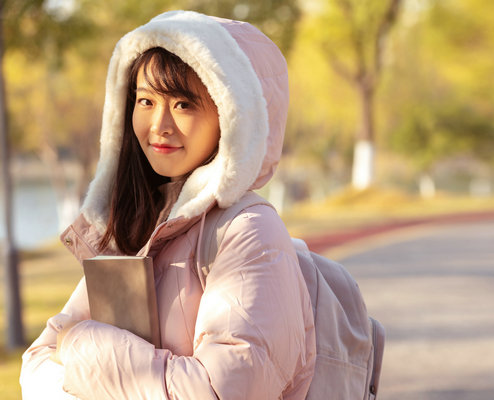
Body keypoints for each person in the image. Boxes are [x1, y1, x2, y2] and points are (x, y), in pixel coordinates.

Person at [20, 10, 316, 400]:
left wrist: (79, 345)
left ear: (234, 118)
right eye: (145, 101)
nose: (159, 124)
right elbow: (35, 365)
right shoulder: (139, 226)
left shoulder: (248, 232)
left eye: (183, 105)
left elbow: (219, 391)